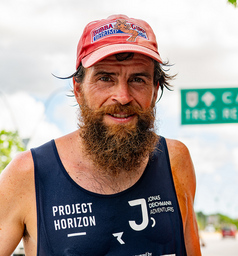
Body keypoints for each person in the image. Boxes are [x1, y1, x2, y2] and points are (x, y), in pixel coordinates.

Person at [0, 14, 201, 256]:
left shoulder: (175, 160)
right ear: (78, 89)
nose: (123, 96)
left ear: (155, 89)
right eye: (105, 78)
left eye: (138, 79)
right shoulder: (28, 175)